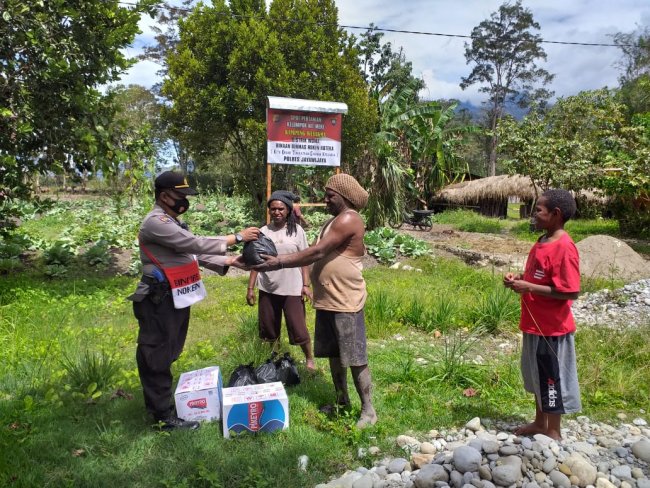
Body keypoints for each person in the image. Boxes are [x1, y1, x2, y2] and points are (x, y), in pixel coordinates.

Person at [129, 171, 259, 431]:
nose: (185, 201)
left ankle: (161, 405)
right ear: (164, 196)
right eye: (181, 196)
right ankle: (162, 417)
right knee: (155, 354)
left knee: (168, 352)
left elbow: (189, 254)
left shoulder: (173, 221)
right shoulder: (156, 222)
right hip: (158, 300)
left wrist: (230, 261)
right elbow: (193, 243)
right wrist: (238, 237)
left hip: (174, 296)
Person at [249, 174, 377, 429]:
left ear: (346, 198)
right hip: (329, 299)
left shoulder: (350, 218)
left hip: (345, 300)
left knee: (354, 356)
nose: (325, 199)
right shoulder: (333, 221)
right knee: (333, 354)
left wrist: (279, 261)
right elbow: (315, 253)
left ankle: (369, 411)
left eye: (331, 196)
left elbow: (317, 252)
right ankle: (342, 401)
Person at [503, 189, 581, 440]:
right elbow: (536, 277)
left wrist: (530, 288)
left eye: (538, 210)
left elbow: (570, 291)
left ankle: (554, 431)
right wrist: (519, 280)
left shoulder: (565, 248)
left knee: (551, 378)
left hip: (552, 329)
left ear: (556, 214)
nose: (533, 214)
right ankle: (539, 422)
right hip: (533, 325)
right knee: (537, 374)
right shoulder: (541, 242)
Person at [246, 190, 315, 370]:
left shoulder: (297, 231)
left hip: (292, 287)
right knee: (269, 328)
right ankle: (275, 358)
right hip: (268, 287)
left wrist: (306, 285)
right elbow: (256, 261)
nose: (277, 212)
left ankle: (309, 359)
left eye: (281, 209)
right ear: (269, 210)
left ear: (288, 210)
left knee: (298, 328)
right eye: (273, 209)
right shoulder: (262, 231)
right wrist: (251, 288)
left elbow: (304, 260)